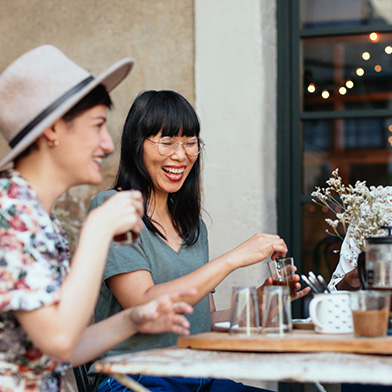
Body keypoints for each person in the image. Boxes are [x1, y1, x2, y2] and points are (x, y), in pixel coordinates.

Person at [0, 46, 196, 391]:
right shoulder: (10, 212)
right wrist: (98, 229)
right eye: (98, 126)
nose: (108, 145)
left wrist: (134, 319)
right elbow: (59, 340)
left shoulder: (38, 218)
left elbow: (63, 349)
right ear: (53, 131)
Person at [89, 90, 310, 392]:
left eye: (190, 143)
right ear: (137, 145)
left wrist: (261, 300)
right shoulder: (113, 207)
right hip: (134, 377)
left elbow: (204, 321)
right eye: (166, 142)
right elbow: (142, 304)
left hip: (197, 376)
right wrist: (233, 258)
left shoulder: (193, 226)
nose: (181, 155)